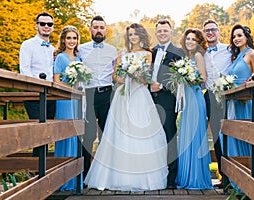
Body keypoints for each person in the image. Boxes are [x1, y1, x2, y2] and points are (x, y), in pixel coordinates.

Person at [84, 23, 168, 191]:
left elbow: (146, 79)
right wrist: (127, 76)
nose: (133, 37)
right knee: (120, 134)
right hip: (123, 97)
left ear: (141, 36)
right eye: (130, 34)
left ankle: (142, 177)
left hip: (140, 96)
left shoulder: (147, 54)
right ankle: (117, 177)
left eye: (136, 34)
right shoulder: (122, 53)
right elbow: (115, 76)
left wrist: (136, 75)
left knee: (141, 133)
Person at [77, 15, 118, 181]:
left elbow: (117, 74)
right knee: (88, 135)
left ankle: (105, 176)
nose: (99, 30)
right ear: (90, 30)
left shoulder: (113, 50)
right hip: (88, 94)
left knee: (106, 135)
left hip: (107, 94)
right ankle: (85, 175)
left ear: (106, 30)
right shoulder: (80, 49)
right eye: (96, 27)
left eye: (102, 27)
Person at [175, 28, 213, 190]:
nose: (189, 41)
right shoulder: (186, 57)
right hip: (187, 100)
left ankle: (196, 178)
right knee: (186, 135)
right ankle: (186, 176)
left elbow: (203, 78)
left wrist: (188, 78)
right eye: (188, 39)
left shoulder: (198, 56)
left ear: (198, 43)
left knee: (195, 136)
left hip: (196, 98)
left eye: (193, 40)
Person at [150, 19, 184, 189]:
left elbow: (179, 78)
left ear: (171, 32)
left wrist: (161, 86)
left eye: (165, 30)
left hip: (167, 100)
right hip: (148, 100)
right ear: (156, 33)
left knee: (169, 136)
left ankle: (171, 179)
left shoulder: (178, 52)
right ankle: (155, 175)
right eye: (159, 31)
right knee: (152, 137)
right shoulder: (151, 51)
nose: (162, 33)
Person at [219, 24, 254, 157]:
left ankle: (252, 171)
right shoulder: (236, 56)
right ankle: (234, 174)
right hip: (232, 101)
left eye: (239, 35)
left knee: (245, 135)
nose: (236, 39)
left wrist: (251, 81)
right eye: (234, 37)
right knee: (229, 135)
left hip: (245, 101)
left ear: (246, 37)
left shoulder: (252, 54)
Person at [19, 12, 56, 156]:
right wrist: (36, 87)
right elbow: (24, 69)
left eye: (49, 24)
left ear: (52, 28)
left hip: (51, 96)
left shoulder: (53, 50)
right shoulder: (28, 45)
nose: (46, 26)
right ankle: (35, 169)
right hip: (33, 94)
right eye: (43, 24)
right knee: (38, 133)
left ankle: (42, 167)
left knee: (47, 133)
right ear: (36, 26)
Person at [53, 25, 83, 191]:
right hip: (64, 99)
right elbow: (56, 80)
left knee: (75, 135)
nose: (72, 41)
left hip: (76, 100)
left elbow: (80, 81)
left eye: (74, 38)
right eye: (69, 38)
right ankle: (61, 180)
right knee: (65, 134)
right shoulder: (60, 58)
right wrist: (70, 87)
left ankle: (73, 179)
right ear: (63, 40)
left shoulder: (79, 60)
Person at [202, 19, 232, 188]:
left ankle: (234, 175)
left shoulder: (228, 49)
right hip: (210, 97)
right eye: (207, 30)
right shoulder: (202, 52)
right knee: (216, 137)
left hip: (227, 96)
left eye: (213, 29)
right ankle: (223, 177)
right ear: (204, 33)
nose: (210, 32)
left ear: (219, 31)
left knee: (229, 135)